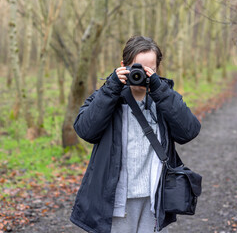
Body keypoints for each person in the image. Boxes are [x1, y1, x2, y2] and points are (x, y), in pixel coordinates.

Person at [70, 36, 201, 233]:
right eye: (137, 68)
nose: (142, 74)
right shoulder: (107, 95)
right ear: (123, 66)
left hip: (154, 198)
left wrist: (159, 90)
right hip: (116, 199)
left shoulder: (163, 96)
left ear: (157, 69)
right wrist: (112, 87)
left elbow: (189, 131)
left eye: (151, 69)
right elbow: (85, 130)